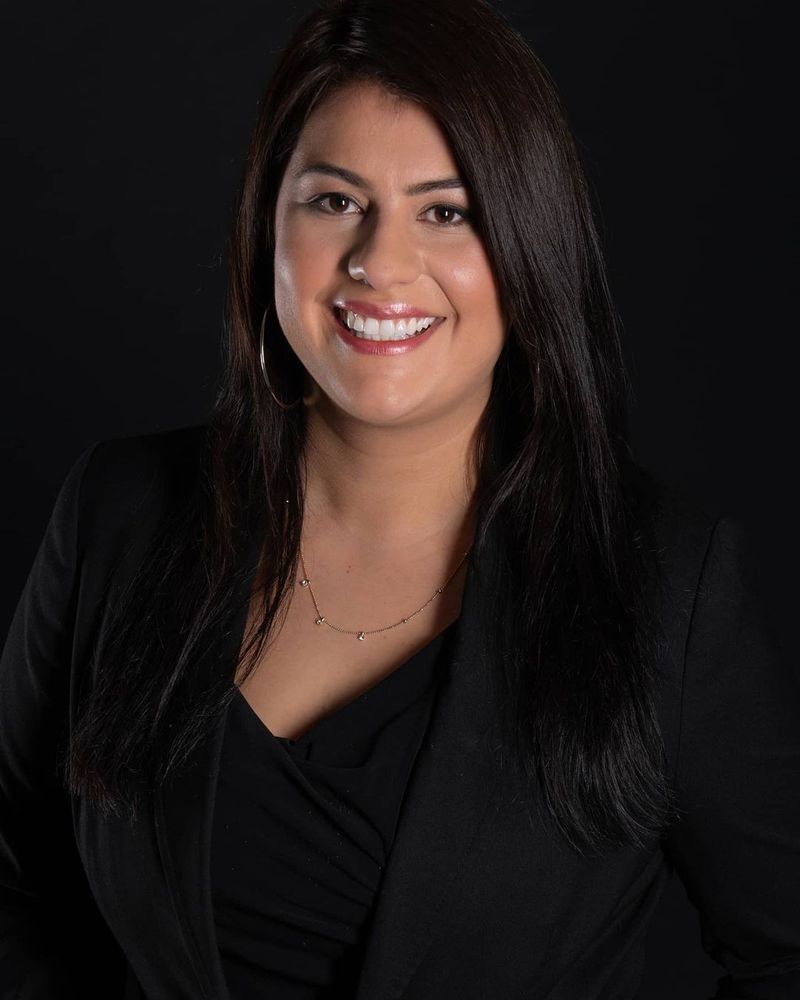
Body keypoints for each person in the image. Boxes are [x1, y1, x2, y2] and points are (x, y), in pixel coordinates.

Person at [2, 0, 798, 997]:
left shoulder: (663, 591)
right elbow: (13, 874)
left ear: (527, 246)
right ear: (265, 226)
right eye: (334, 201)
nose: (379, 263)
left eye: (446, 210)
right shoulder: (118, 514)